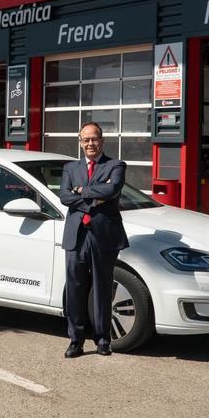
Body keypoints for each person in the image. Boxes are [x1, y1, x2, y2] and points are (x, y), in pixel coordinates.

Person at [59, 121, 129, 357]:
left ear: (102, 140)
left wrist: (81, 191)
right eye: (86, 139)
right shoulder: (70, 168)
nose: (91, 143)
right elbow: (64, 197)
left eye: (95, 138)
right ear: (80, 142)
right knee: (75, 289)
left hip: (103, 235)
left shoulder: (116, 165)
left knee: (102, 289)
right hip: (76, 235)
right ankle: (75, 340)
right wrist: (95, 194)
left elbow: (113, 190)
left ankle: (102, 340)